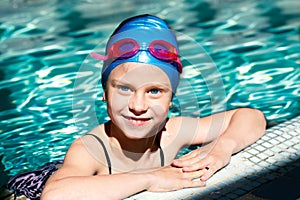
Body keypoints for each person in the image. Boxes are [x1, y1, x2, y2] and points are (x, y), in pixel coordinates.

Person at [40, 14, 266, 200]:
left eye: (154, 91)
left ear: (171, 100)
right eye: (124, 89)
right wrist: (150, 178)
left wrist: (221, 147)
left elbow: (251, 117)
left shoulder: (173, 133)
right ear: (105, 95)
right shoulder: (92, 149)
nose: (138, 106)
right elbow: (54, 196)